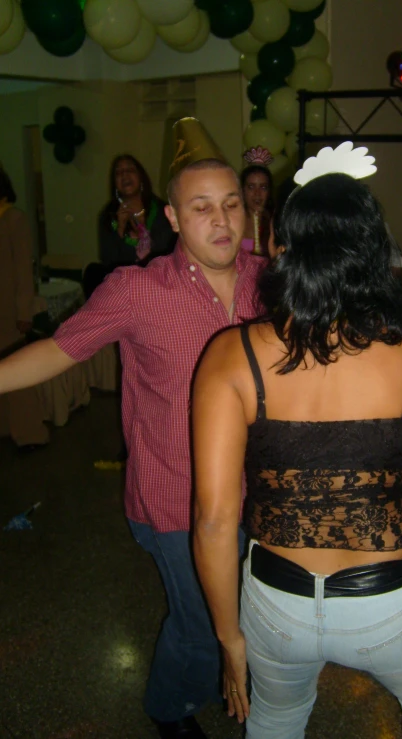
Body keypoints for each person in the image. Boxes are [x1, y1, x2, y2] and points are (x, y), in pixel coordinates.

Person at [192, 143, 402, 739]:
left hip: (276, 600)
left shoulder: (230, 356)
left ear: (277, 247)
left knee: (275, 719)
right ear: (374, 253)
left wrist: (229, 638)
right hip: (389, 604)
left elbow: (215, 522)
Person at [0, 118, 266, 739]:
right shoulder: (137, 290)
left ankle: (229, 670)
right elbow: (60, 351)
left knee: (244, 605)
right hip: (174, 496)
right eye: (201, 207)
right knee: (199, 620)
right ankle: (167, 707)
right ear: (171, 217)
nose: (222, 219)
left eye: (230, 204)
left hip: (256, 489)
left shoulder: (266, 279)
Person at [0, 167, 49, 450]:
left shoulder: (13, 218)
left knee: (16, 373)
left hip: (9, 311)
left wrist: (24, 312)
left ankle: (31, 434)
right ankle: (6, 429)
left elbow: (22, 270)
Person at [83, 155, 177, 299]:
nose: (125, 175)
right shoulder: (107, 218)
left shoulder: (162, 211)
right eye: (119, 173)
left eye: (130, 170)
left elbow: (169, 253)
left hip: (161, 286)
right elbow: (109, 263)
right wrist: (120, 231)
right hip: (126, 291)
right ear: (115, 184)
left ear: (141, 178)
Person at [240, 147, 274, 256]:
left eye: (263, 187)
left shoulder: (275, 221)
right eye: (251, 187)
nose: (257, 194)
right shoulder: (233, 220)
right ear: (242, 189)